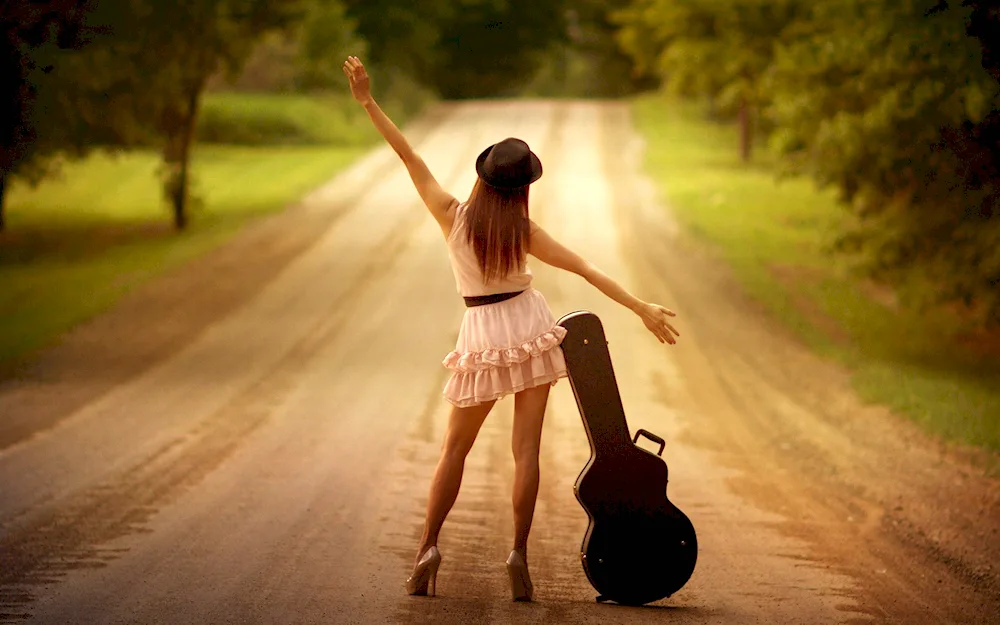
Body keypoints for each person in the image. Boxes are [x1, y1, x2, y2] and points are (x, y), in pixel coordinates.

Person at [342, 56, 680, 602]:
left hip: (480, 331)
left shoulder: (451, 215)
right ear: (524, 188)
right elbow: (586, 269)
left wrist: (366, 101)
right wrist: (641, 306)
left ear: (481, 177)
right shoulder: (524, 230)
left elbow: (408, 155)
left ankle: (428, 547)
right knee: (527, 453)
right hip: (527, 326)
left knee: (454, 451)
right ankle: (518, 552)